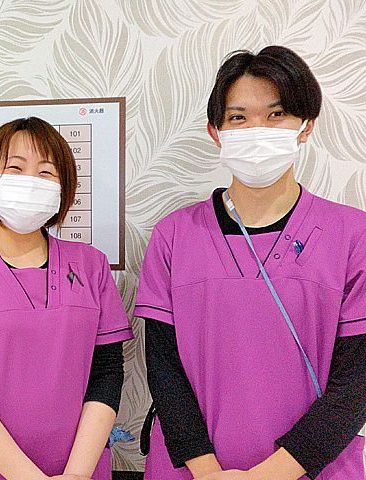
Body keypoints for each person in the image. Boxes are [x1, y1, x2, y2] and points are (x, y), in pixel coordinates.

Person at [136, 46, 366, 480]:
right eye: (239, 117)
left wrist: (269, 475)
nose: (257, 130)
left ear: (306, 125)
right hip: (192, 468)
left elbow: (356, 382)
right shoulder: (173, 236)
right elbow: (165, 371)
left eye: (276, 114)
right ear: (216, 132)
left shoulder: (354, 236)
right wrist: (207, 471)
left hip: (311, 467)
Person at [0, 117, 133, 480]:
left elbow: (106, 373)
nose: (31, 181)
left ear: (64, 189)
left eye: (46, 172)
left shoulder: (90, 265)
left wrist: (77, 474)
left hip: (78, 468)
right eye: (15, 168)